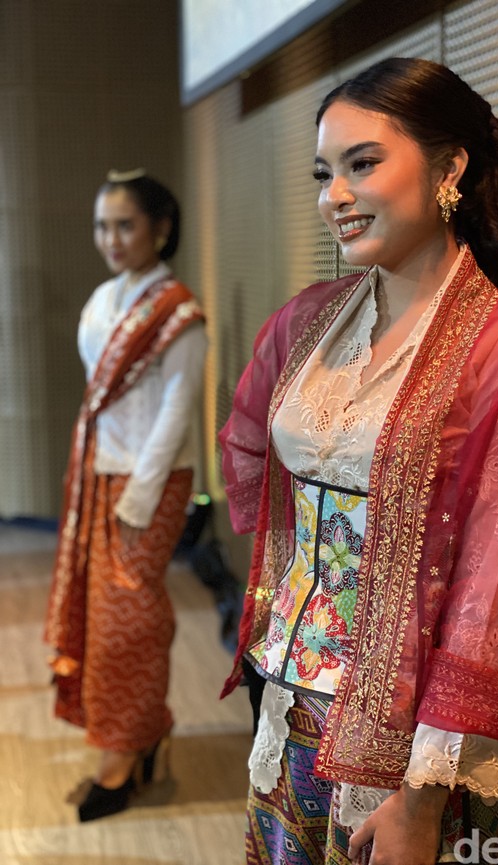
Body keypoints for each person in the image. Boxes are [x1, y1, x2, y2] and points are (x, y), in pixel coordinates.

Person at [219, 57, 498, 865]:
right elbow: (249, 448)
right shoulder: (310, 320)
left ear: (450, 168)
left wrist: (425, 800)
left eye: (363, 164)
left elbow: (496, 604)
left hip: (412, 746)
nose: (335, 196)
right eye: (324, 173)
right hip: (284, 696)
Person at [44, 169, 207, 822]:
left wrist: (139, 498)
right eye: (101, 226)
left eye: (125, 225)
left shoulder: (180, 312)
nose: (111, 239)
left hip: (151, 479)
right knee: (100, 613)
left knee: (127, 621)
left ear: (160, 228)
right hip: (99, 473)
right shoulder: (102, 299)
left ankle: (128, 744)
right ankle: (134, 736)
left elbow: (176, 412)